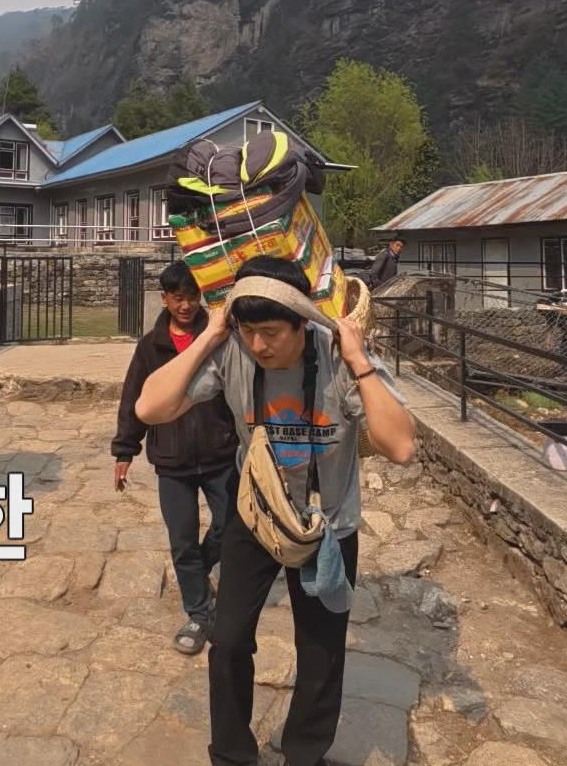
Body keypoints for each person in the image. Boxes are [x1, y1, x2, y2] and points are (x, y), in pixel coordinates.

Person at [134, 255, 417, 766]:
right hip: (257, 518)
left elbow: (400, 446)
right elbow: (149, 408)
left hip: (327, 527)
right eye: (249, 331)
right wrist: (213, 334)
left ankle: (304, 754)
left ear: (302, 323)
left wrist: (359, 360)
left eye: (270, 333)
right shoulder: (234, 350)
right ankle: (231, 754)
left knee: (321, 652)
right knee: (227, 641)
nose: (259, 345)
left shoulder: (337, 357)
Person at [112, 261, 240, 655]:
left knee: (230, 526)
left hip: (220, 453)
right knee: (182, 540)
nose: (185, 306)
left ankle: (198, 571)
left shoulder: (219, 335)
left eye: (191, 297)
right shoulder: (151, 346)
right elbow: (133, 399)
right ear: (165, 298)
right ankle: (199, 612)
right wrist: (124, 451)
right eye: (177, 298)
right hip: (172, 460)